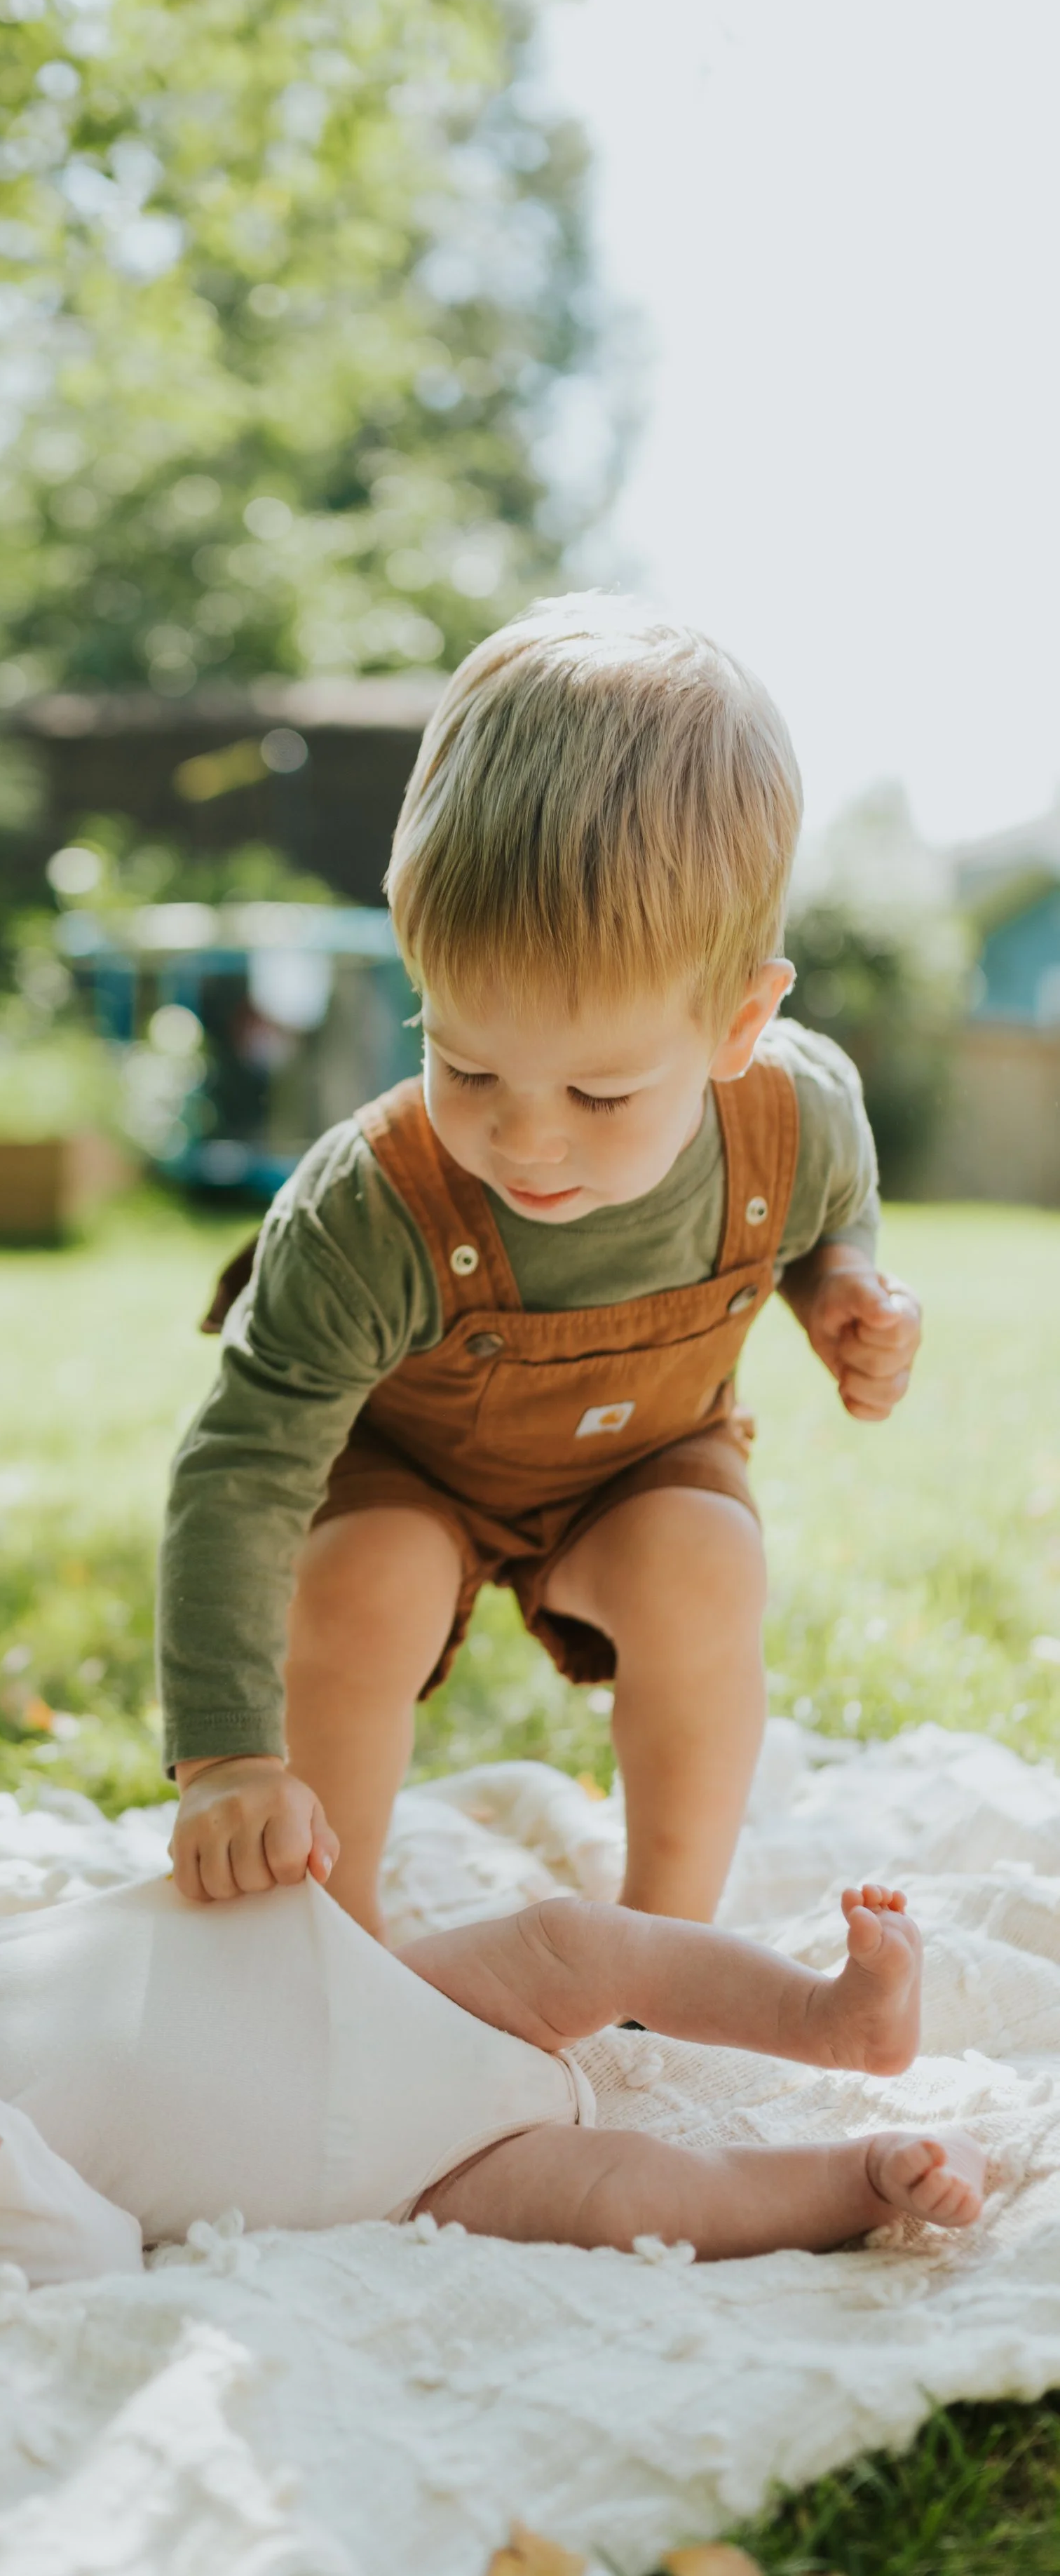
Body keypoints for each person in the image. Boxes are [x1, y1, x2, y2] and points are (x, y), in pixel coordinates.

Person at [161, 594, 925, 1936]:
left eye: (602, 1093)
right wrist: (227, 1757)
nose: (527, 1136)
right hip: (408, 1476)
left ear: (741, 1022)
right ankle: (322, 1942)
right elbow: (242, 1464)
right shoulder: (369, 1210)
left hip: (635, 1472)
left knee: (708, 1562)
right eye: (465, 1064)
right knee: (364, 1585)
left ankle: (663, 1943)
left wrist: (841, 1292)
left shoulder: (798, 1119)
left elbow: (831, 1213)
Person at [0, 1834, 987, 2304]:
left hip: (387, 1988)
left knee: (569, 1941)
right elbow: (84, 2260)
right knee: (616, 2197)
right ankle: (849, 2184)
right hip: (411, 2171)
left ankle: (830, 2019)